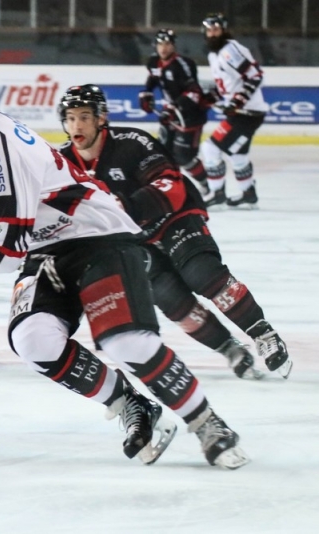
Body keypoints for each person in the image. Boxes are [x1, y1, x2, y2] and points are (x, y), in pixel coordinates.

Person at [0, 55, 248, 469]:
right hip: (49, 245)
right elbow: (13, 206)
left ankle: (209, 423)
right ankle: (130, 403)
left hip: (99, 235)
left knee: (125, 341)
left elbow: (2, 252)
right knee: (33, 339)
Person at [56, 84, 292, 381]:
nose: (77, 124)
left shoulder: (132, 142)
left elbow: (172, 184)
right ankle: (229, 349)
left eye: (85, 117)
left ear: (101, 118)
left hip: (174, 218)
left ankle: (262, 333)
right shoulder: (61, 163)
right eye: (71, 117)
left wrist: (125, 206)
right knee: (171, 299)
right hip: (134, 240)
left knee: (202, 274)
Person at [200, 13, 268, 208]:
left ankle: (216, 193)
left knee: (210, 148)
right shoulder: (215, 54)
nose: (213, 34)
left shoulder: (230, 50)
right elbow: (229, 86)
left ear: (223, 30)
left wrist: (237, 101)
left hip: (247, 114)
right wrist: (211, 97)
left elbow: (255, 76)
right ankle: (248, 193)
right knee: (237, 155)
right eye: (209, 30)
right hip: (242, 112)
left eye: (216, 30)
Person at [138, 29, 210, 194]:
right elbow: (153, 78)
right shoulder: (154, 62)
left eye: (167, 44)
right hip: (170, 116)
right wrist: (146, 93)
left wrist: (173, 107)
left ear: (174, 46)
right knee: (162, 153)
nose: (163, 48)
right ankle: (172, 187)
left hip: (190, 117)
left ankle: (208, 186)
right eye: (160, 44)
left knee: (184, 157)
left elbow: (194, 92)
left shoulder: (183, 65)